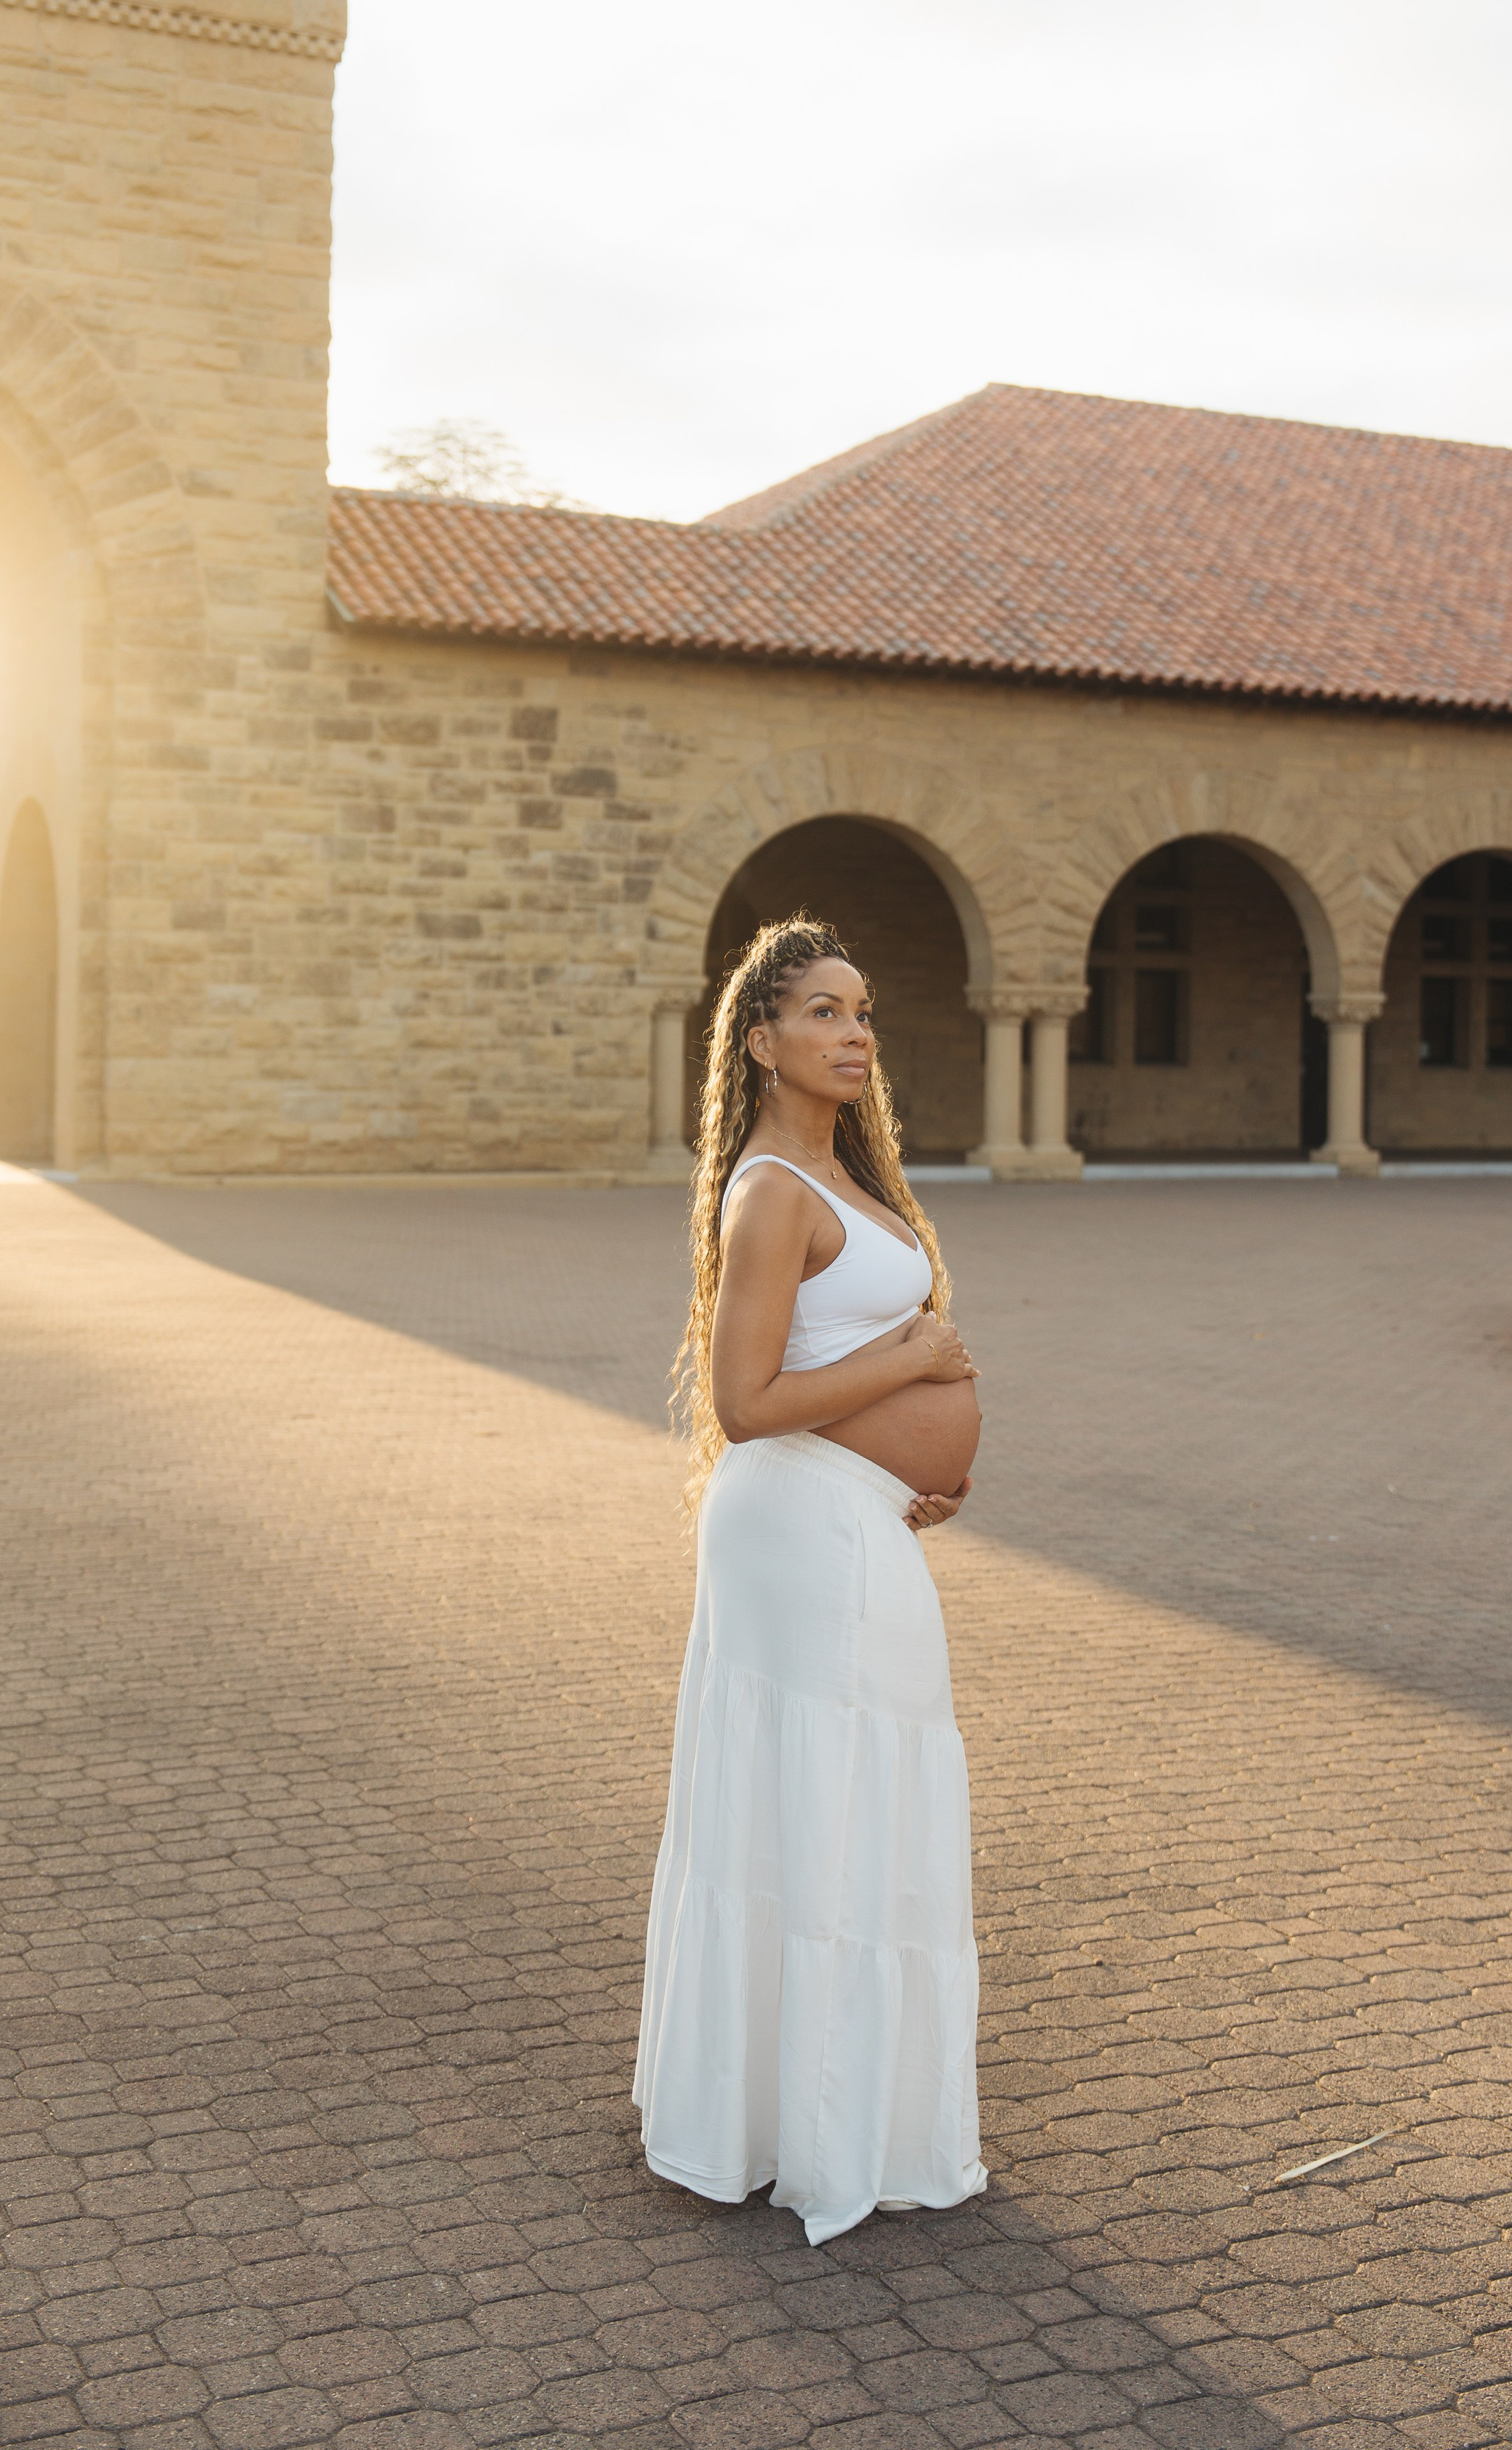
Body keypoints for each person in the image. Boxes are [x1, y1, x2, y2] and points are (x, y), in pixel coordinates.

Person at [633, 915, 988, 2244]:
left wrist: (919, 1475)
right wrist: (914, 1371)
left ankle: (829, 2110)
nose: (856, 1035)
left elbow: (850, 1364)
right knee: (830, 1794)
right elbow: (744, 1401)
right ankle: (808, 2128)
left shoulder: (847, 1179)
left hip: (852, 1521)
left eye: (864, 1011)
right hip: (795, 1529)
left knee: (853, 1793)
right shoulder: (771, 1189)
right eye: (826, 1013)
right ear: (762, 1037)